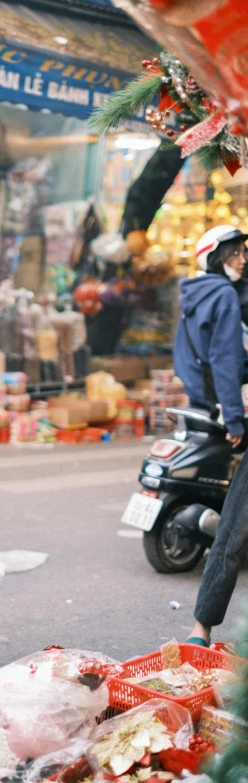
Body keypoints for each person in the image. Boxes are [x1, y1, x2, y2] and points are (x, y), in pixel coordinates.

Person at [172, 225, 248, 646]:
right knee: (235, 526)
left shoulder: (199, 293)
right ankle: (200, 627)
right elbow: (224, 356)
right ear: (217, 257)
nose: (242, 258)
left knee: (235, 528)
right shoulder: (223, 296)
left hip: (215, 405)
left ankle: (200, 627)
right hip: (234, 411)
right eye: (235, 252)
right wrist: (234, 417)